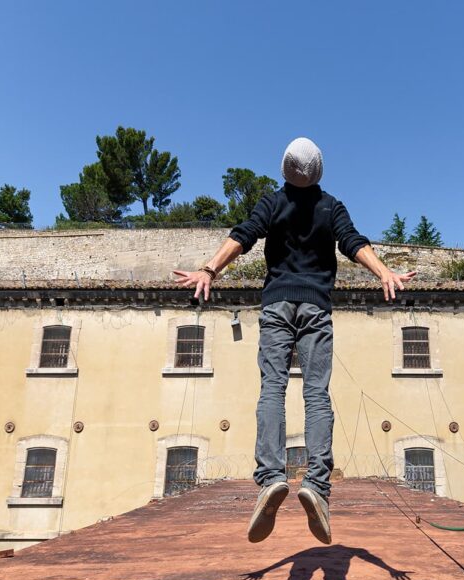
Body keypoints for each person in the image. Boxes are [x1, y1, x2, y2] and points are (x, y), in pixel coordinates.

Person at [174, 137, 415, 545]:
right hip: (316, 307)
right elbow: (354, 243)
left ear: (285, 170)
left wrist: (210, 270)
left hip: (276, 307)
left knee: (272, 388)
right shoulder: (331, 207)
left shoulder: (271, 203)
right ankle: (317, 485)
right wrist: (384, 272)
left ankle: (271, 478)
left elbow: (244, 235)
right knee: (317, 394)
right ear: (319, 170)